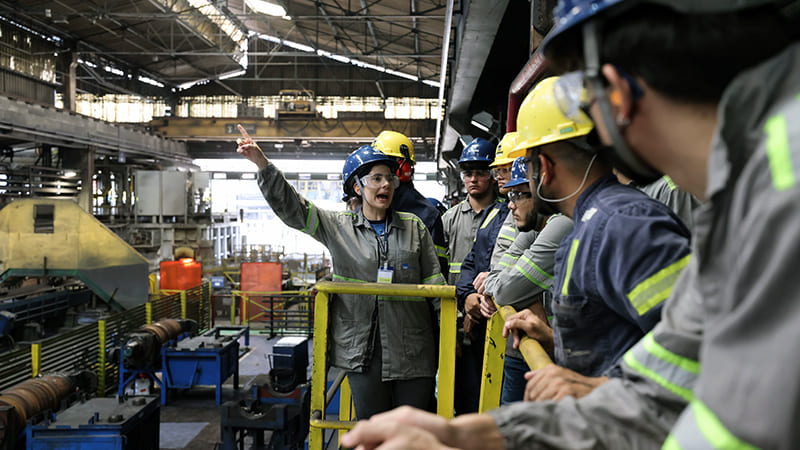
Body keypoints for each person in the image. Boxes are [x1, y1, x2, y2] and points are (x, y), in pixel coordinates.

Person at [343, 0, 800, 448]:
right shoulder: (743, 192)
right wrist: (461, 434)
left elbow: (734, 418)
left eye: (582, 94)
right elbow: (663, 390)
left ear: (616, 93)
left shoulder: (778, 184)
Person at [236, 129, 446, 420]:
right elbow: (294, 208)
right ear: (358, 188)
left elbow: (435, 283)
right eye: (376, 178)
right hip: (362, 353)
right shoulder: (338, 226)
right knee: (372, 431)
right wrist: (263, 165)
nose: (385, 184)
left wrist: (453, 334)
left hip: (413, 349)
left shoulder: (414, 228)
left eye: (389, 178)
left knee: (415, 431)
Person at [480, 156, 574, 404]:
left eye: (519, 195)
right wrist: (519, 291)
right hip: (548, 351)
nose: (511, 206)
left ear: (542, 193)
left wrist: (515, 289)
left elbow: (503, 291)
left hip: (567, 358)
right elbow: (496, 280)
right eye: (510, 196)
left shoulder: (562, 224)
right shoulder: (534, 226)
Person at [372, 130, 449, 273]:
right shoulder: (367, 208)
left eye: (388, 164)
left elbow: (437, 271)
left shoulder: (427, 215)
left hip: (410, 293)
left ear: (405, 167)